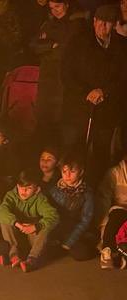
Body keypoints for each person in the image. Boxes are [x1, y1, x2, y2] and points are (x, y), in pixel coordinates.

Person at [61, 5, 127, 179]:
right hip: (79, 107)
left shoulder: (122, 46)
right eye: (100, 21)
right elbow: (67, 74)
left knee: (101, 152)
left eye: (108, 23)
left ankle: (96, 184)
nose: (102, 26)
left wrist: (104, 91)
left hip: (107, 109)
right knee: (75, 150)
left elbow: (123, 77)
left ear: (114, 24)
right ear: (94, 21)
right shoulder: (78, 43)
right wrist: (86, 93)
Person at [28, 0, 84, 130]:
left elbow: (66, 50)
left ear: (66, 4)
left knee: (61, 114)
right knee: (43, 113)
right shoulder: (48, 24)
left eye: (57, 6)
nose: (55, 11)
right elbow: (33, 45)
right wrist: (51, 45)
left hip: (64, 75)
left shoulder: (76, 24)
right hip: (47, 75)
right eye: (51, 8)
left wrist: (46, 47)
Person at [0, 169, 60, 271]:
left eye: (29, 188)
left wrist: (36, 226)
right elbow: (1, 211)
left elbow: (54, 216)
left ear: (36, 189)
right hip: (17, 233)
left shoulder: (40, 199)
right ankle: (14, 256)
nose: (24, 191)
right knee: (5, 221)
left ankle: (32, 259)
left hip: (32, 236)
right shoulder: (11, 195)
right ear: (17, 186)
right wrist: (17, 224)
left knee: (45, 227)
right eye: (21, 187)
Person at [47, 153, 96, 261]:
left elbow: (85, 220)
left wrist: (69, 241)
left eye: (72, 171)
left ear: (81, 172)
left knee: (82, 253)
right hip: (58, 228)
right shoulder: (54, 190)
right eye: (64, 172)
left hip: (76, 230)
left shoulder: (87, 193)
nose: (67, 175)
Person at [96, 152, 127, 268]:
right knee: (116, 215)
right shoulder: (114, 173)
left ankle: (122, 258)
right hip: (120, 211)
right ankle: (107, 251)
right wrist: (103, 225)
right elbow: (103, 199)